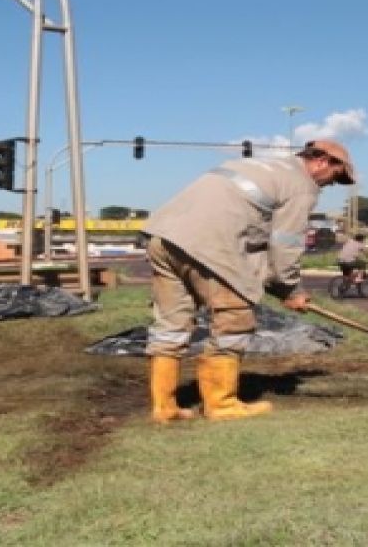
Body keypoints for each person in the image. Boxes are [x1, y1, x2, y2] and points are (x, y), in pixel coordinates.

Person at [142, 140, 356, 422]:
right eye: (335, 177)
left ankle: (164, 407)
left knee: (170, 325)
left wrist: (275, 282)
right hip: (210, 243)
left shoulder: (258, 165)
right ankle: (221, 405)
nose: (330, 185)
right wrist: (290, 289)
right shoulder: (301, 185)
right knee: (234, 318)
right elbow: (285, 246)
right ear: (322, 162)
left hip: (164, 236)